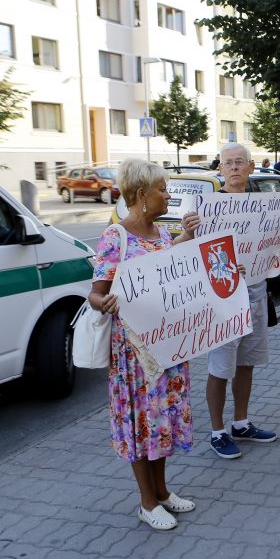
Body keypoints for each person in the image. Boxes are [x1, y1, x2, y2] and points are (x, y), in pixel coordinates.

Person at [89, 158, 201, 531]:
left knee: (163, 419)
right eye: (162, 189)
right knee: (142, 421)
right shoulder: (115, 238)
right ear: (141, 195)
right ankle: (147, 501)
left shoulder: (163, 235)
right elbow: (96, 293)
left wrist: (188, 239)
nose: (168, 195)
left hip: (166, 347)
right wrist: (102, 302)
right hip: (133, 355)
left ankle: (164, 492)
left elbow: (172, 276)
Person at [205, 143, 280, 460]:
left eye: (240, 162)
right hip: (223, 296)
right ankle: (217, 431)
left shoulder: (261, 205)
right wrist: (223, 266)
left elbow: (274, 247)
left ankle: (241, 422)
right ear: (220, 169)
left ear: (251, 167)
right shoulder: (209, 206)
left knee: (247, 361)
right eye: (228, 163)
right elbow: (200, 255)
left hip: (255, 290)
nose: (234, 167)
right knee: (221, 366)